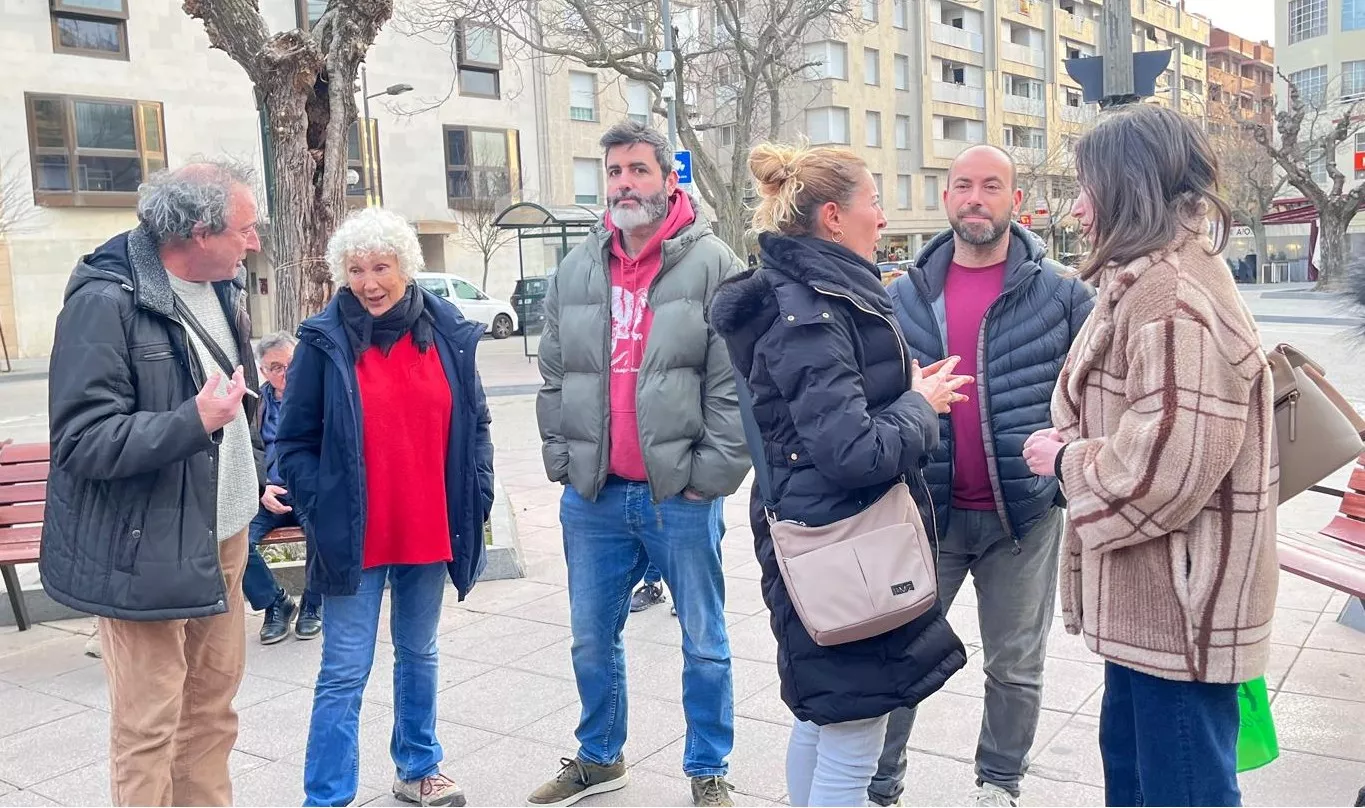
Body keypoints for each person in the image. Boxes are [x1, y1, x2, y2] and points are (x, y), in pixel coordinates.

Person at [1021, 103, 1277, 807]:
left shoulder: (1169, 298)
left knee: (1177, 790)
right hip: (1157, 605)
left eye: (1087, 188)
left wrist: (1064, 459)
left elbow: (1165, 470)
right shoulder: (1152, 279)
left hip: (1175, 612)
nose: (1076, 208)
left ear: (1126, 188)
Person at [708, 142, 970, 807]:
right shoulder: (814, 309)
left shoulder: (808, 295)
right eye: (874, 201)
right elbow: (852, 452)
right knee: (852, 744)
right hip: (843, 547)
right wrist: (920, 406)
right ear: (832, 215)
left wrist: (906, 390)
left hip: (822, 537)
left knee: (822, 723)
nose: (881, 218)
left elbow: (821, 416)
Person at [530, 120, 751, 808]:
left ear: (668, 179)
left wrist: (706, 480)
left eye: (638, 170)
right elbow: (554, 372)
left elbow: (734, 386)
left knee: (704, 642)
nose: (624, 182)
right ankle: (600, 757)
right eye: (615, 171)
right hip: (594, 495)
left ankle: (707, 767)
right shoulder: (577, 267)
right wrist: (563, 460)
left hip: (679, 497)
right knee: (590, 641)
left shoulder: (714, 264)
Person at [871, 145, 1094, 808]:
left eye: (990, 186)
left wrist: (1059, 474)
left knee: (1015, 668)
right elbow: (871, 392)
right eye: (962, 185)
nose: (974, 198)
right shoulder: (900, 296)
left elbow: (1095, 396)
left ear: (1013, 201)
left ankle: (998, 785)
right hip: (926, 516)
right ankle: (879, 786)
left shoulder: (1062, 293)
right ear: (945, 199)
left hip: (1020, 521)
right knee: (899, 659)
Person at [42, 160, 263, 806]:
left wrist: (259, 475)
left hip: (223, 537)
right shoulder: (105, 302)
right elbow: (82, 441)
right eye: (245, 230)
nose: (254, 242)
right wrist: (192, 422)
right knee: (149, 729)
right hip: (144, 552)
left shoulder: (222, 284)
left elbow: (237, 399)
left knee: (212, 717)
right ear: (198, 232)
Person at [276, 207, 495, 808]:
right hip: (354, 531)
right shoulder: (323, 341)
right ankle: (327, 795)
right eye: (356, 271)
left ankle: (418, 767)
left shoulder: (448, 333)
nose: (370, 282)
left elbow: (475, 422)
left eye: (381, 267)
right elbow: (291, 439)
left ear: (407, 267)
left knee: (419, 651)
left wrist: (478, 489)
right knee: (345, 669)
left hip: (429, 524)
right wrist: (317, 501)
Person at [243, 331, 322, 644]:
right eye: (275, 367)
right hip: (266, 495)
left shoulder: (318, 398)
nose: (284, 373)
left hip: (306, 492)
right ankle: (276, 603)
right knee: (233, 540)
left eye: (290, 364)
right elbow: (244, 450)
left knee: (323, 529)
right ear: (263, 371)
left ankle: (313, 604)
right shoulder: (253, 404)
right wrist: (260, 488)